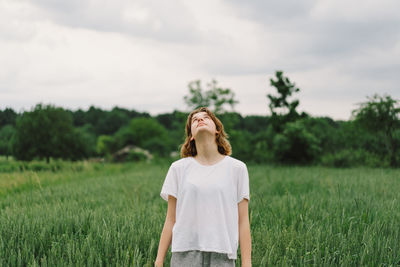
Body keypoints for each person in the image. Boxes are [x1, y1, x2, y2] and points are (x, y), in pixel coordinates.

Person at [155, 107, 252, 267]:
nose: (200, 120)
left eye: (206, 117)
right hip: (185, 253)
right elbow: (171, 219)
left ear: (217, 130)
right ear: (191, 136)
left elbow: (243, 221)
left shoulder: (237, 168)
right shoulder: (178, 168)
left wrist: (247, 263)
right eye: (195, 120)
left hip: (223, 254)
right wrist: (159, 261)